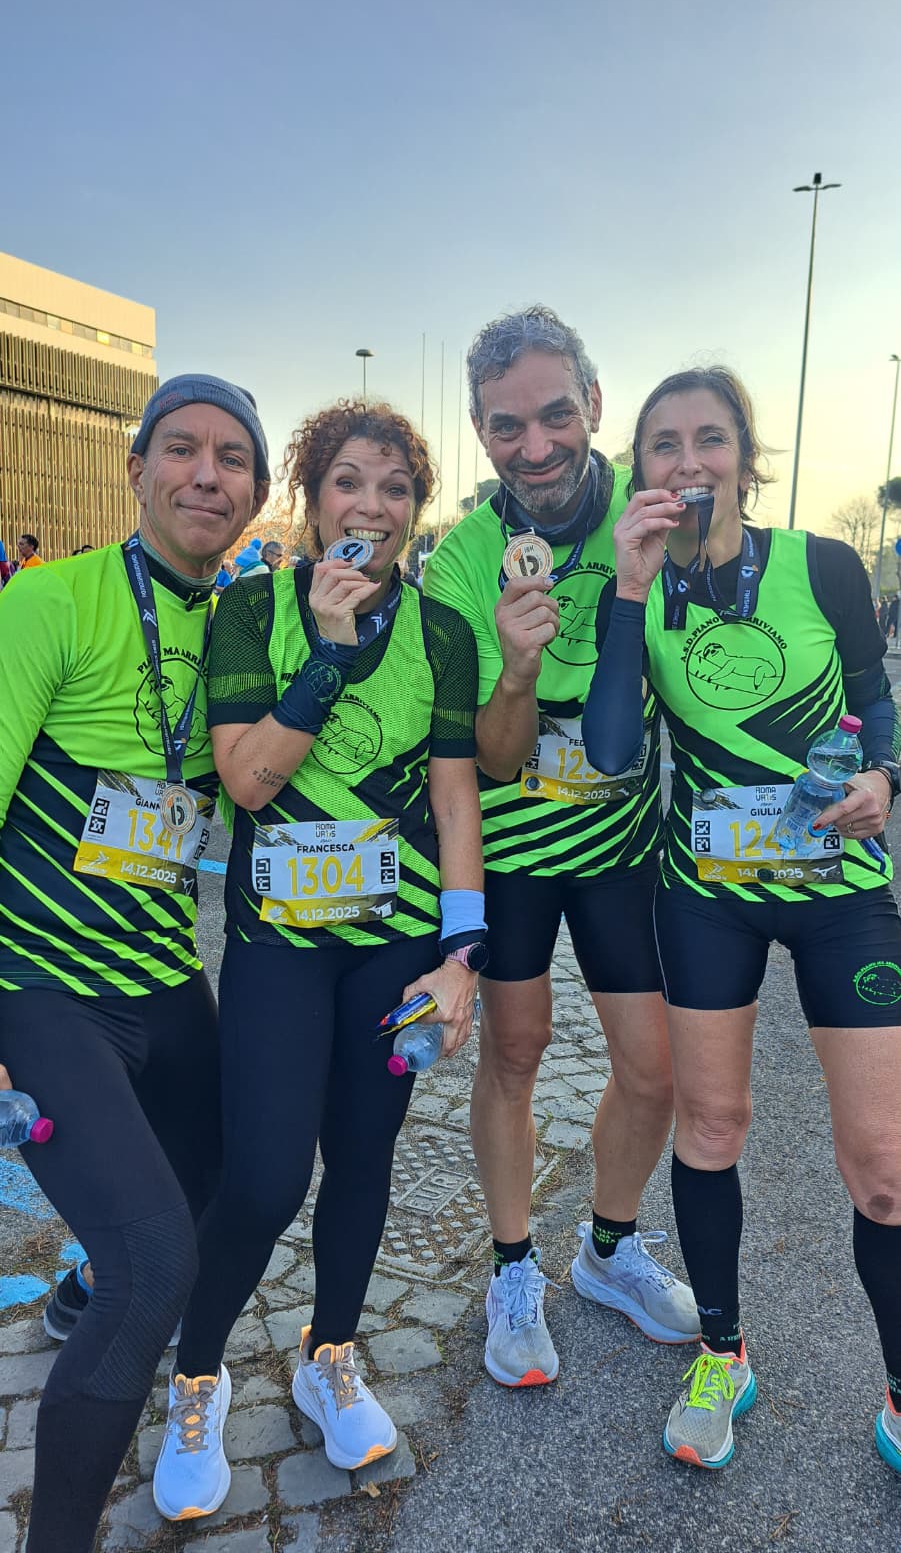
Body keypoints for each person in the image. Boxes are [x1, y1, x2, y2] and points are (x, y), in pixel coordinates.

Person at [152, 399, 485, 1520]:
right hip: (279, 946)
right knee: (262, 1177)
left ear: (415, 509)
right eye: (349, 481)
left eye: (395, 488)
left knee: (364, 1158)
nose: (371, 507)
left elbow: (454, 799)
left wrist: (462, 954)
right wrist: (329, 657)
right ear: (309, 498)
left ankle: (330, 1350)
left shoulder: (443, 632)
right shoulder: (253, 609)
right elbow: (246, 781)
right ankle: (197, 1376)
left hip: (392, 949)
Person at [584, 366, 901, 1474]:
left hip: (837, 890)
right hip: (707, 894)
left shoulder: (823, 565)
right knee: (712, 1125)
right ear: (639, 470)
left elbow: (875, 697)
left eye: (708, 439)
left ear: (744, 460)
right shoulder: (637, 586)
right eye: (662, 445)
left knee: (883, 1161)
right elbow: (610, 751)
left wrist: (886, 774)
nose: (687, 462)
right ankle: (721, 1353)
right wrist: (629, 590)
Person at [0, 373, 269, 1552]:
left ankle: (74, 1287)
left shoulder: (250, 627)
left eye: (232, 458)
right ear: (136, 469)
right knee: (153, 1264)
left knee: (230, 1187)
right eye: (182, 448)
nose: (206, 474)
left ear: (256, 495)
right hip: (44, 991)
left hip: (165, 980)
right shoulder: (49, 600)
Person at [423, 307, 698, 1389]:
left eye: (552, 415)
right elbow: (489, 762)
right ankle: (510, 1267)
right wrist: (517, 673)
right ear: (480, 432)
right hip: (516, 852)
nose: (533, 447)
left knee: (653, 1067)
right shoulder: (462, 561)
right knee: (516, 1052)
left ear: (592, 402)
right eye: (506, 426)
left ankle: (608, 1248)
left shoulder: (653, 506)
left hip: (621, 847)